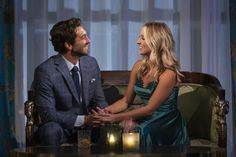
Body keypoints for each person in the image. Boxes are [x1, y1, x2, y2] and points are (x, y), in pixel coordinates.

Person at [95, 22, 189, 147]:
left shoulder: (168, 73)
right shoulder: (138, 66)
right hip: (147, 116)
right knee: (113, 130)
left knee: (141, 131)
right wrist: (106, 112)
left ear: (156, 41)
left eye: (143, 38)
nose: (137, 41)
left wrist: (115, 118)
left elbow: (150, 108)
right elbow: (126, 101)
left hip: (166, 121)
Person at [32, 17, 107, 145]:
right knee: (50, 130)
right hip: (62, 128)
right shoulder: (45, 71)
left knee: (112, 128)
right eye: (83, 37)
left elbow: (99, 101)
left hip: (89, 128)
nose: (89, 41)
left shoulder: (91, 63)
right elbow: (48, 114)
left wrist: (106, 115)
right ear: (68, 44)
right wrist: (84, 119)